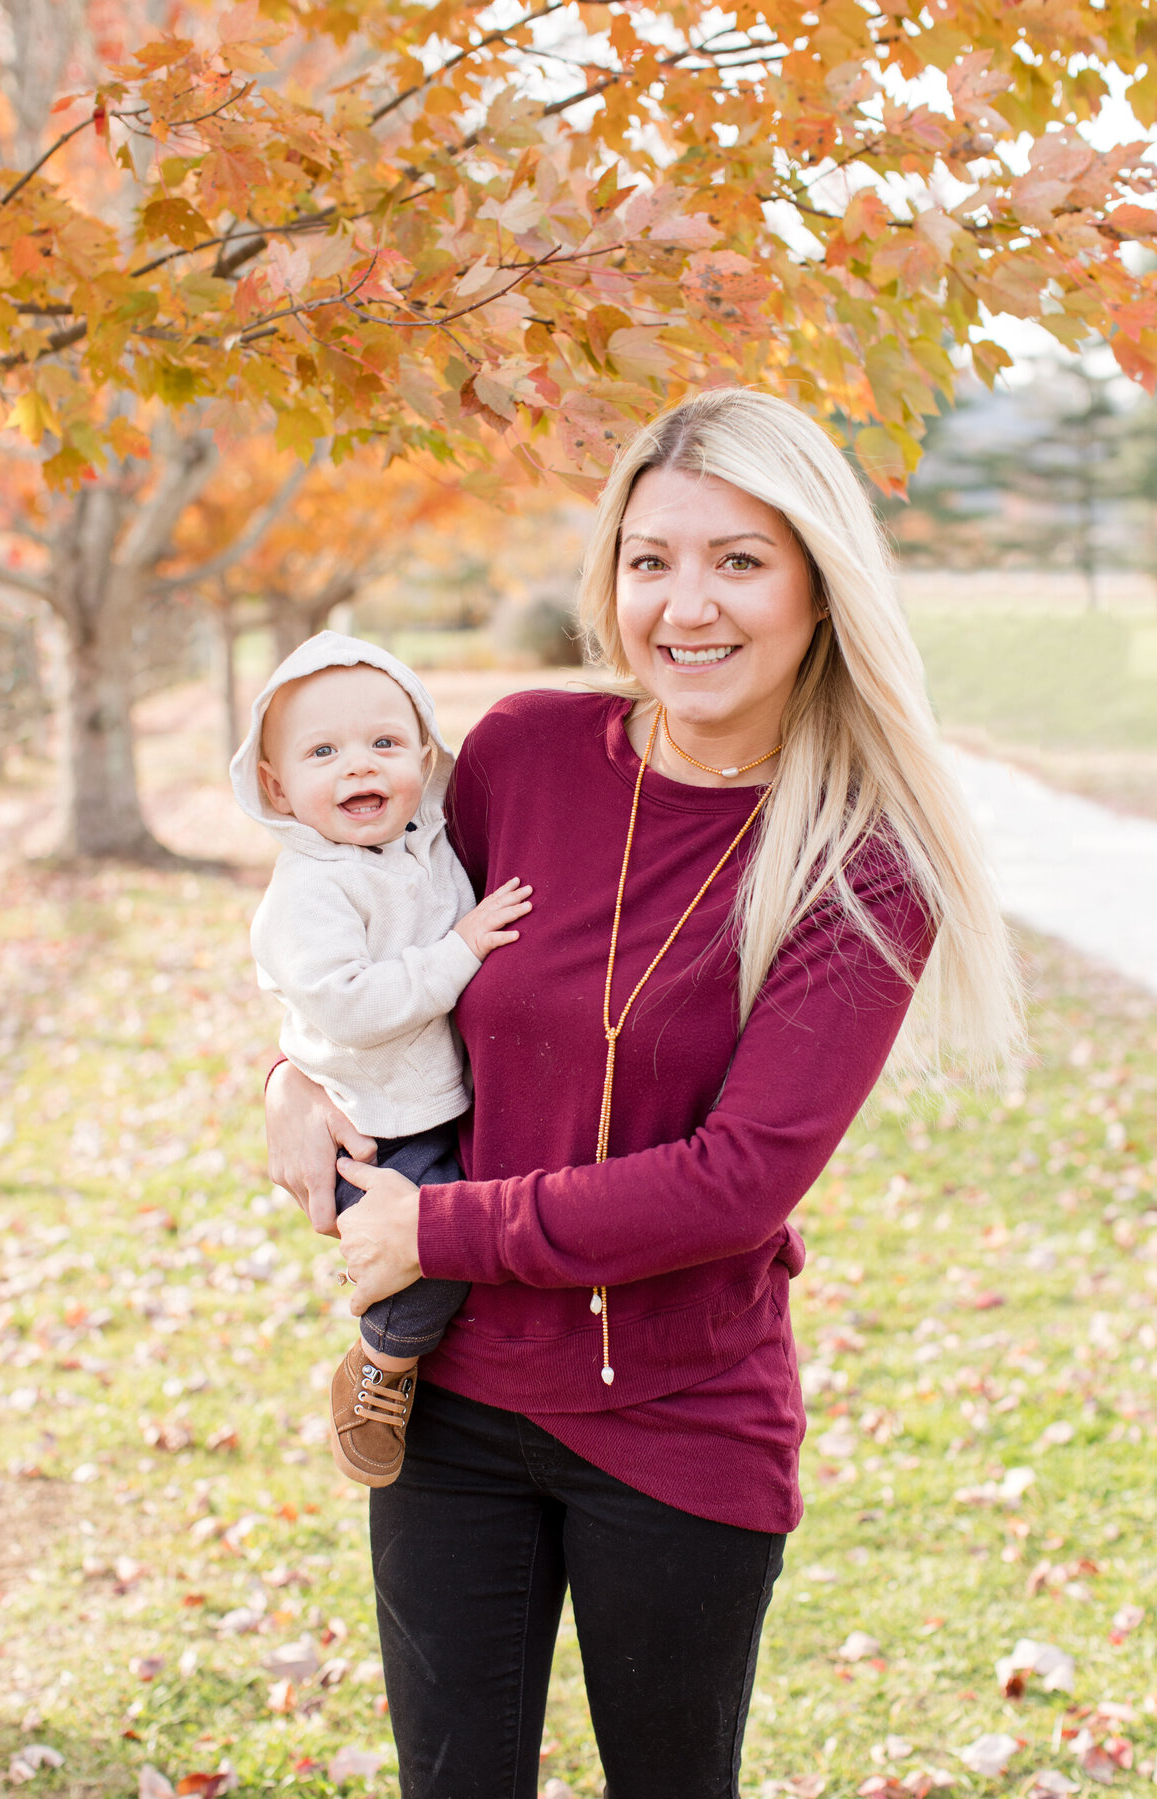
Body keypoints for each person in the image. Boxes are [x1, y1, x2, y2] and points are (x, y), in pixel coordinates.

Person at [264, 390, 1020, 1799]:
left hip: (681, 1420)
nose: (688, 603)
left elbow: (737, 1179)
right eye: (650, 557)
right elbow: (367, 949)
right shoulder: (522, 753)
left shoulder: (861, 859)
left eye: (739, 559)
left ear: (817, 585)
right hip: (453, 1404)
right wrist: (288, 1077)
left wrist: (441, 1232)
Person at [230, 632, 531, 1485]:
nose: (358, 765)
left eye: (385, 744)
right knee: (431, 1241)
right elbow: (349, 1007)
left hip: (441, 1094)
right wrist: (462, 950)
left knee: (469, 1224)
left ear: (425, 755)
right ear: (277, 785)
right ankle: (380, 1362)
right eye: (323, 752)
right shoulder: (310, 889)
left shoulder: (423, 846)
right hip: (380, 1118)